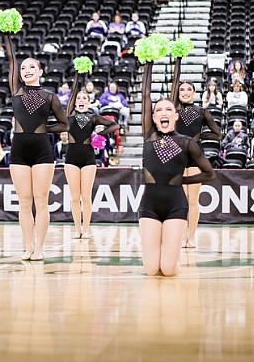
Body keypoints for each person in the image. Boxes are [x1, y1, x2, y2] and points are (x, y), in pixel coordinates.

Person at [138, 58, 215, 276]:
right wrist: (149, 65)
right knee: (152, 270)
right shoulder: (148, 136)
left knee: (168, 270)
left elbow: (209, 174)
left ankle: (171, 254)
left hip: (176, 205)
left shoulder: (186, 142)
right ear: (153, 117)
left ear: (175, 115)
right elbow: (145, 96)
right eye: (159, 110)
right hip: (149, 206)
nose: (163, 112)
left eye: (168, 109)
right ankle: (161, 249)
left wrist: (185, 180)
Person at [3, 31, 68, 261]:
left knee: (41, 201)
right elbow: (11, 60)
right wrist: (7, 36)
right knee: (24, 202)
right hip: (19, 149)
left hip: (42, 150)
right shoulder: (16, 91)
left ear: (40, 71)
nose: (26, 70)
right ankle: (27, 246)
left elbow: (64, 124)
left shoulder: (50, 96)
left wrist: (43, 129)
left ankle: (39, 248)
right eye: (23, 68)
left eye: (32, 67)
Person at [170, 70, 222, 249]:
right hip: (176, 155)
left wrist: (199, 137)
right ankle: (180, 235)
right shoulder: (173, 111)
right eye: (181, 89)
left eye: (188, 90)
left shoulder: (202, 112)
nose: (184, 92)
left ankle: (190, 237)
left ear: (194, 92)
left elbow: (218, 134)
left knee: (193, 199)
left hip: (195, 156)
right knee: (179, 199)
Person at [64, 72, 119, 240]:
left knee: (86, 196)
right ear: (74, 102)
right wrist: (77, 76)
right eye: (78, 98)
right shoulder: (69, 116)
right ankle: (77, 229)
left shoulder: (93, 117)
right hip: (71, 158)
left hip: (88, 159)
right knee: (74, 197)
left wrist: (99, 134)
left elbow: (115, 125)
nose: (81, 101)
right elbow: (73, 93)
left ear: (89, 102)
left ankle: (86, 229)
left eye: (84, 99)